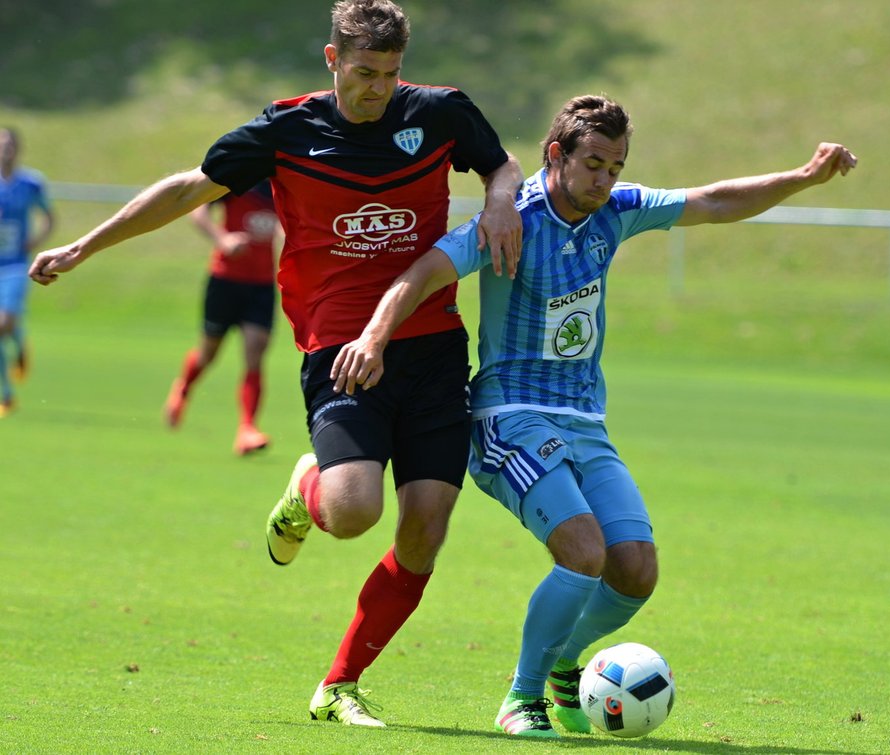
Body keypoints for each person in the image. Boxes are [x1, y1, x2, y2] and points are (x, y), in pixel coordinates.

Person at [29, 0, 522, 729]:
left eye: (389, 74)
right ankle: (308, 483)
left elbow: (501, 164)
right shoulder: (288, 128)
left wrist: (503, 201)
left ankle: (339, 683)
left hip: (433, 341)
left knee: (425, 527)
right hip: (337, 345)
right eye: (362, 73)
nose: (377, 89)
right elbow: (189, 187)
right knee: (354, 512)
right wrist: (85, 247)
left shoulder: (441, 112)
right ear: (332, 60)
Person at [329, 94, 857, 738]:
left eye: (616, 166)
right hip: (509, 418)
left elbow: (716, 201)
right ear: (557, 156)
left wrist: (803, 177)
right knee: (582, 551)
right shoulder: (511, 221)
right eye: (594, 165)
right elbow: (424, 272)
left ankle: (563, 668)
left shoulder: (619, 210)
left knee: (634, 569)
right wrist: (374, 338)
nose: (605, 180)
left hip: (584, 422)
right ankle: (521, 699)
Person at [165, 179, 281, 455]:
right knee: (209, 354)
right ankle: (183, 387)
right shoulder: (237, 180)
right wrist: (223, 240)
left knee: (255, 352)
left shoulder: (284, 185)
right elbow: (199, 212)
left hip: (262, 284)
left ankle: (247, 429)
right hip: (225, 280)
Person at [0, 127, 54, 417]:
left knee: (1, 325)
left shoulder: (30, 184)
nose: (5, 149)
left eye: (10, 144)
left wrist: (35, 242)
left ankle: (18, 339)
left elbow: (48, 217)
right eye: (1, 144)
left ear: (17, 149)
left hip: (15, 266)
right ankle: (6, 394)